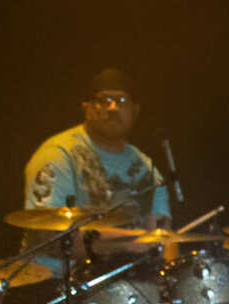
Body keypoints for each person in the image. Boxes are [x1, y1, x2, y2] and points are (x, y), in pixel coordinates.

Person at [22, 67, 170, 228]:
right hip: (70, 246)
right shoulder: (58, 155)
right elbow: (47, 231)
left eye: (122, 101)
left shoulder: (147, 168)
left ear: (135, 111)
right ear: (87, 108)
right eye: (104, 100)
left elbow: (163, 233)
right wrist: (133, 240)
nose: (113, 107)